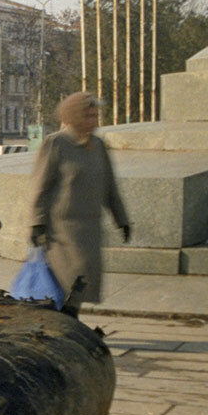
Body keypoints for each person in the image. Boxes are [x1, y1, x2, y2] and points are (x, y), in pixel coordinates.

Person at [27, 92, 130, 316]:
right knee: (70, 281)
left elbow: (110, 187)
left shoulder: (98, 146)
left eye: (95, 116)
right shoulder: (57, 143)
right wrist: (37, 223)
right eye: (88, 116)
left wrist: (122, 219)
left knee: (83, 283)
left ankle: (67, 322)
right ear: (73, 116)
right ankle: (65, 323)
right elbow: (40, 187)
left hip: (90, 229)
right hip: (63, 231)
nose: (93, 121)